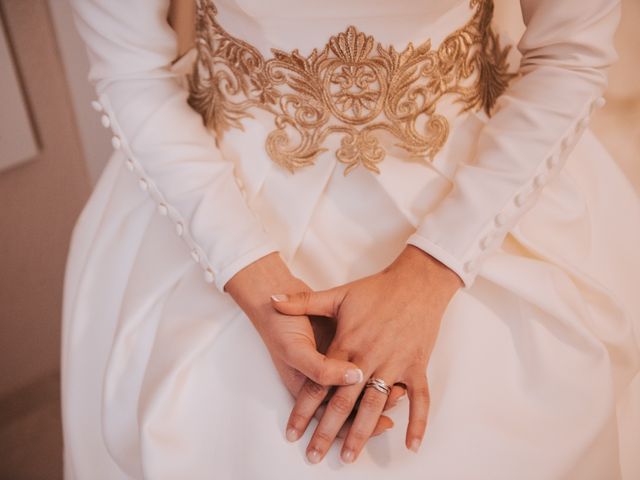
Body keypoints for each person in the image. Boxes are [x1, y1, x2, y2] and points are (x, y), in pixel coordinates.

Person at [63, 0, 640, 478]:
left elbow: (570, 53)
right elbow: (131, 71)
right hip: (217, 191)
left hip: (488, 176)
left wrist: (435, 269)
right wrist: (253, 279)